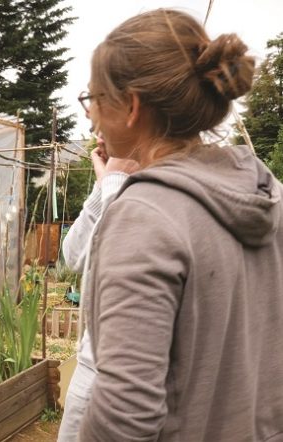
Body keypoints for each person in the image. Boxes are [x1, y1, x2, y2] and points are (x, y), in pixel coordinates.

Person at [68, 8, 283, 441]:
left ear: (130, 107)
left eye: (92, 99)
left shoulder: (145, 215)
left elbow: (124, 416)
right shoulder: (265, 193)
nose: (90, 117)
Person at [57, 138, 138, 441]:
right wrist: (103, 184)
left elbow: (120, 261)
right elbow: (75, 255)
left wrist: (114, 181)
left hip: (119, 382)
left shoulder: (159, 190)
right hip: (91, 368)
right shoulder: (116, 186)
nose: (98, 135)